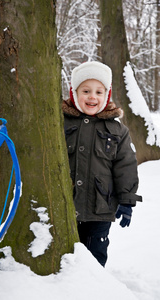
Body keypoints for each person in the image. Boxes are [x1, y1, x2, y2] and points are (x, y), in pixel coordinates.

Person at [62, 61, 142, 267]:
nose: (92, 97)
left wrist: (127, 200)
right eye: (86, 90)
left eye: (99, 92)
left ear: (106, 95)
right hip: (64, 205)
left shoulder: (117, 130)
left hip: (100, 208)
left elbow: (126, 166)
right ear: (74, 92)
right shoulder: (60, 123)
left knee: (94, 257)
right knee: (64, 256)